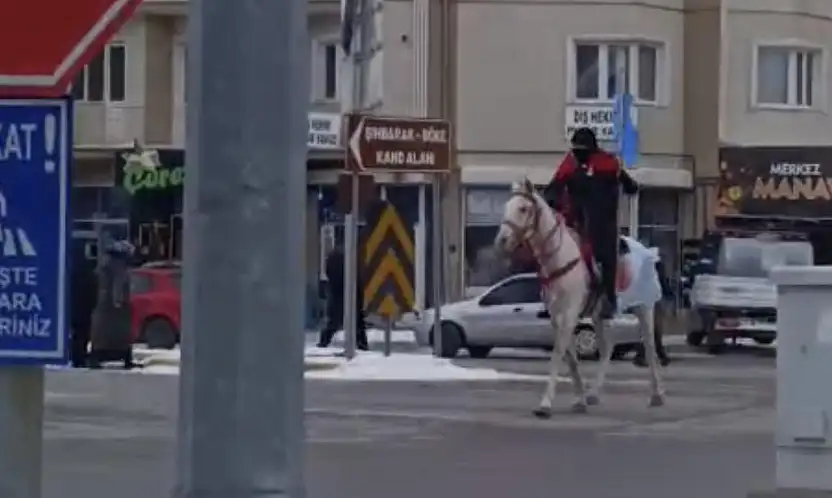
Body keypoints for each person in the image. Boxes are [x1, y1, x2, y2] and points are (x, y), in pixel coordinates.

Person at [543, 127, 639, 318]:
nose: (577, 154)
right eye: (575, 150)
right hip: (575, 223)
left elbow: (630, 185)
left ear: (591, 150)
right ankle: (553, 297)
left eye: (581, 151)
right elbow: (552, 189)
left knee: (606, 256)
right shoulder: (569, 165)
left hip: (603, 222)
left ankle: (609, 299)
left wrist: (628, 184)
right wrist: (553, 203)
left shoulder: (608, 163)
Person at [317, 241, 369, 350]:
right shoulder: (354, 256)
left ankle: (324, 341)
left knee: (334, 319)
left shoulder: (333, 257)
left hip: (338, 292)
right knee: (357, 320)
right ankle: (362, 343)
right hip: (352, 292)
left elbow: (328, 273)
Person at [633, 257, 672, 367]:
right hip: (654, 300)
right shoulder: (656, 267)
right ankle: (657, 355)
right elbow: (663, 283)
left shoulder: (641, 268)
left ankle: (649, 355)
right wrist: (668, 294)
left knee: (649, 329)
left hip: (645, 299)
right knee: (654, 329)